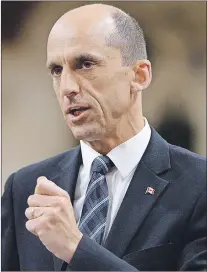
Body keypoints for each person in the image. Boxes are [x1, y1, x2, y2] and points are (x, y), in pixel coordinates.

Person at [1, 3, 206, 271]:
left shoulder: (199, 185)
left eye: (85, 64)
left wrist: (76, 248)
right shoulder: (24, 188)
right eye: (56, 71)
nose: (67, 88)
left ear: (139, 75)